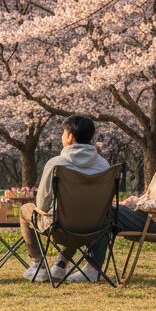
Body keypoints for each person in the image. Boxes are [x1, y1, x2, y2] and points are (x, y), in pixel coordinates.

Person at [19, 114, 110, 282]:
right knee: (76, 215)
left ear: (69, 136)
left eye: (63, 132)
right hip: (94, 228)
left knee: (26, 209)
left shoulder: (57, 163)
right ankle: (61, 264)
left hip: (60, 228)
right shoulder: (104, 165)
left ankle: (38, 264)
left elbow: (42, 204)